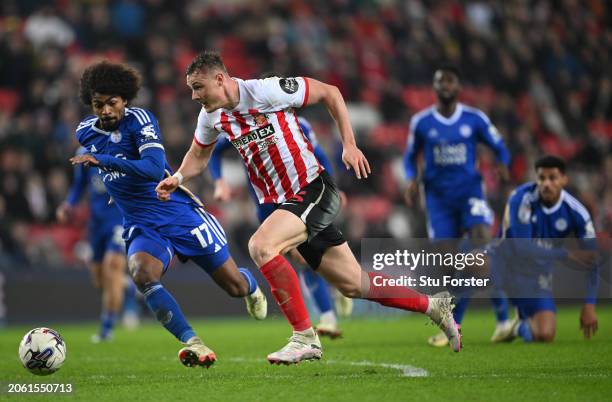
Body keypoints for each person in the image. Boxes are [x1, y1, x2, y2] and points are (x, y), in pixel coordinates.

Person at [156, 50, 461, 365]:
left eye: (198, 87)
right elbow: (198, 156)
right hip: (285, 203)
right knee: (354, 283)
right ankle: (432, 306)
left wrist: (349, 144)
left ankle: (304, 337)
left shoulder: (266, 91)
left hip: (313, 188)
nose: (193, 96)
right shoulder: (211, 116)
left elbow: (331, 93)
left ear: (219, 79)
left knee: (261, 245)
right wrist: (177, 177)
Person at [70, 61, 267, 368]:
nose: (106, 110)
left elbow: (151, 169)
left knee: (234, 288)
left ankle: (249, 285)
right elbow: (104, 168)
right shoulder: (85, 132)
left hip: (176, 213)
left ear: (125, 100)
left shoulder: (140, 120)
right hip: (141, 223)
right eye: (98, 105)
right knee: (142, 274)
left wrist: (104, 161)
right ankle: (194, 343)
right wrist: (113, 186)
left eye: (112, 103)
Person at [208, 115, 351, 338]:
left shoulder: (298, 123)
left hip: (303, 197)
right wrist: (220, 182)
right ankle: (337, 289)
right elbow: (215, 152)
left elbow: (319, 155)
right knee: (299, 257)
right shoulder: (242, 125)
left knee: (305, 256)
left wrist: (332, 187)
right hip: (266, 203)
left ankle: (328, 315)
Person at [402, 64, 511, 346]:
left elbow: (499, 145)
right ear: (435, 88)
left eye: (450, 81)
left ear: (458, 87)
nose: (446, 86)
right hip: (438, 199)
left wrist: (502, 162)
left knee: (480, 251)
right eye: (441, 82)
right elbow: (410, 156)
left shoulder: (474, 119)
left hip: (470, 193)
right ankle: (464, 322)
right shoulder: (422, 122)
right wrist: (412, 180)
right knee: (453, 265)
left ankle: (498, 320)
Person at [494, 155, 599, 342]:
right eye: (542, 178)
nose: (546, 184)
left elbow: (592, 259)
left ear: (564, 180)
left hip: (536, 275)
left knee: (545, 334)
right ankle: (453, 325)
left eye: (553, 178)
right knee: (474, 262)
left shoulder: (577, 213)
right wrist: (565, 254)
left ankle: (517, 326)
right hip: (506, 262)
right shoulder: (521, 199)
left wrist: (590, 305)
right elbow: (522, 248)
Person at [57, 148, 139, 342]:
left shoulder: (122, 149)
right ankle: (127, 287)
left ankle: (106, 328)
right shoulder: (83, 153)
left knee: (112, 268)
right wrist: (68, 205)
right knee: (99, 279)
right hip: (97, 223)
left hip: (120, 219)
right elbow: (79, 185)